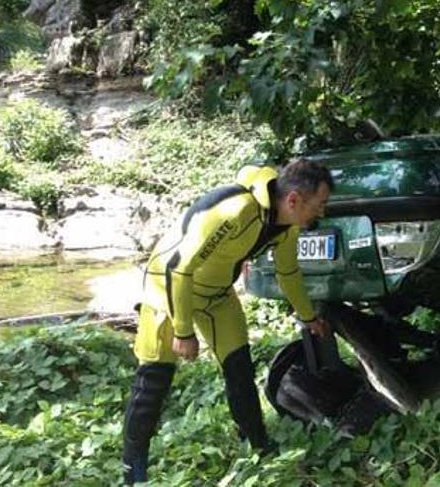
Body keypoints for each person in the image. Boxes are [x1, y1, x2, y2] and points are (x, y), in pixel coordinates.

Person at [122, 158, 334, 484]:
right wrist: (183, 331)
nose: (321, 213)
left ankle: (258, 444)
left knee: (240, 369)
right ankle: (133, 468)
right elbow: (179, 269)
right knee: (154, 380)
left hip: (217, 295)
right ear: (293, 200)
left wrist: (309, 318)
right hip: (167, 288)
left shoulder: (286, 226)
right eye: (319, 205)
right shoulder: (235, 210)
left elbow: (288, 273)